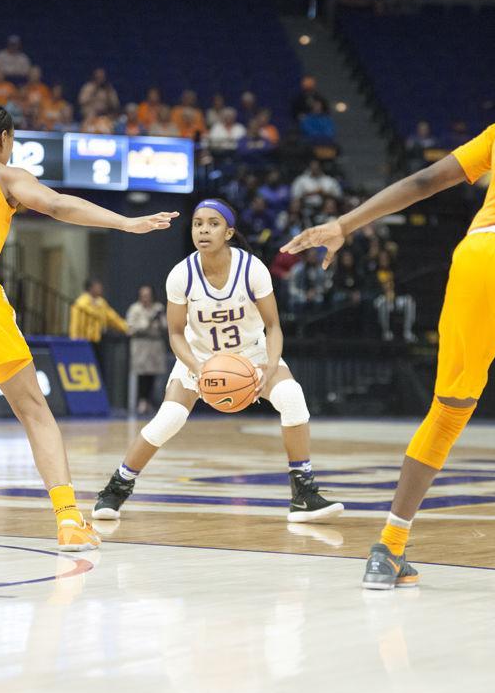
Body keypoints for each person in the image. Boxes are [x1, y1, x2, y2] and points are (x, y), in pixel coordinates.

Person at [281, 37, 495, 589]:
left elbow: (423, 182)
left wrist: (344, 225)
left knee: (447, 411)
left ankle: (387, 550)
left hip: (476, 256)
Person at [0, 100, 178, 551]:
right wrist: (127, 223)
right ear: (5, 139)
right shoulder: (3, 172)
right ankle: (70, 521)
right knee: (33, 409)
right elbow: (57, 204)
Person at [92, 199, 344, 523]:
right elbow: (175, 334)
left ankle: (303, 493)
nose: (203, 230)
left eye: (212, 223)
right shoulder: (181, 275)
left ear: (229, 232)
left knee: (292, 397)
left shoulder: (252, 269)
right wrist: (198, 368)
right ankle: (117, 487)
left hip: (252, 354)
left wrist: (270, 366)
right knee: (168, 419)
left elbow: (273, 326)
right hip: (197, 357)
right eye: (198, 224)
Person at [126, 285, 167, 415]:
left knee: (153, 374)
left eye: (148, 295)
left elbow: (166, 326)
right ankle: (141, 401)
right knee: (142, 374)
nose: (146, 298)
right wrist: (149, 320)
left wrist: (159, 320)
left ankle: (149, 401)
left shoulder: (158, 307)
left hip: (155, 344)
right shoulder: (135, 309)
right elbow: (131, 327)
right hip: (141, 343)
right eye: (143, 295)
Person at [69, 279, 129, 359]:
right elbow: (75, 324)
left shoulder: (101, 304)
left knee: (98, 365)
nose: (100, 289)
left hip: (97, 341)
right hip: (83, 341)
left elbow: (112, 318)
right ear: (91, 288)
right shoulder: (80, 305)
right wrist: (75, 341)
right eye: (97, 287)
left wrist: (126, 328)